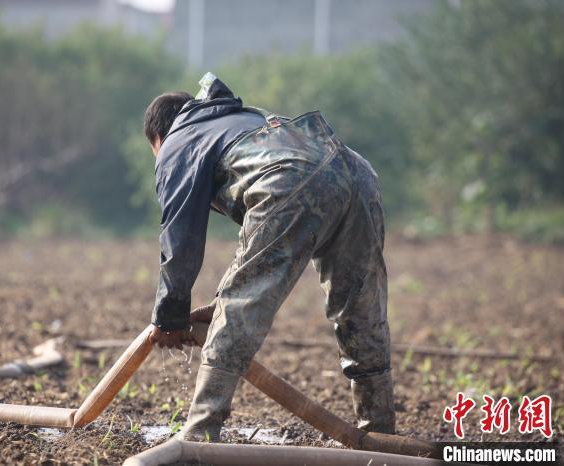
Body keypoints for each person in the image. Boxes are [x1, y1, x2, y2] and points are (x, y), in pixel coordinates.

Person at [145, 73, 394, 441]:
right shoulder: (240, 118)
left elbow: (179, 238)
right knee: (360, 310)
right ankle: (381, 432)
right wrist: (216, 303)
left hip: (290, 178)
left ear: (158, 139)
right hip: (356, 172)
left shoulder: (180, 140)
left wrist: (170, 315)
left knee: (241, 305)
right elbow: (257, 242)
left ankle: (199, 433)